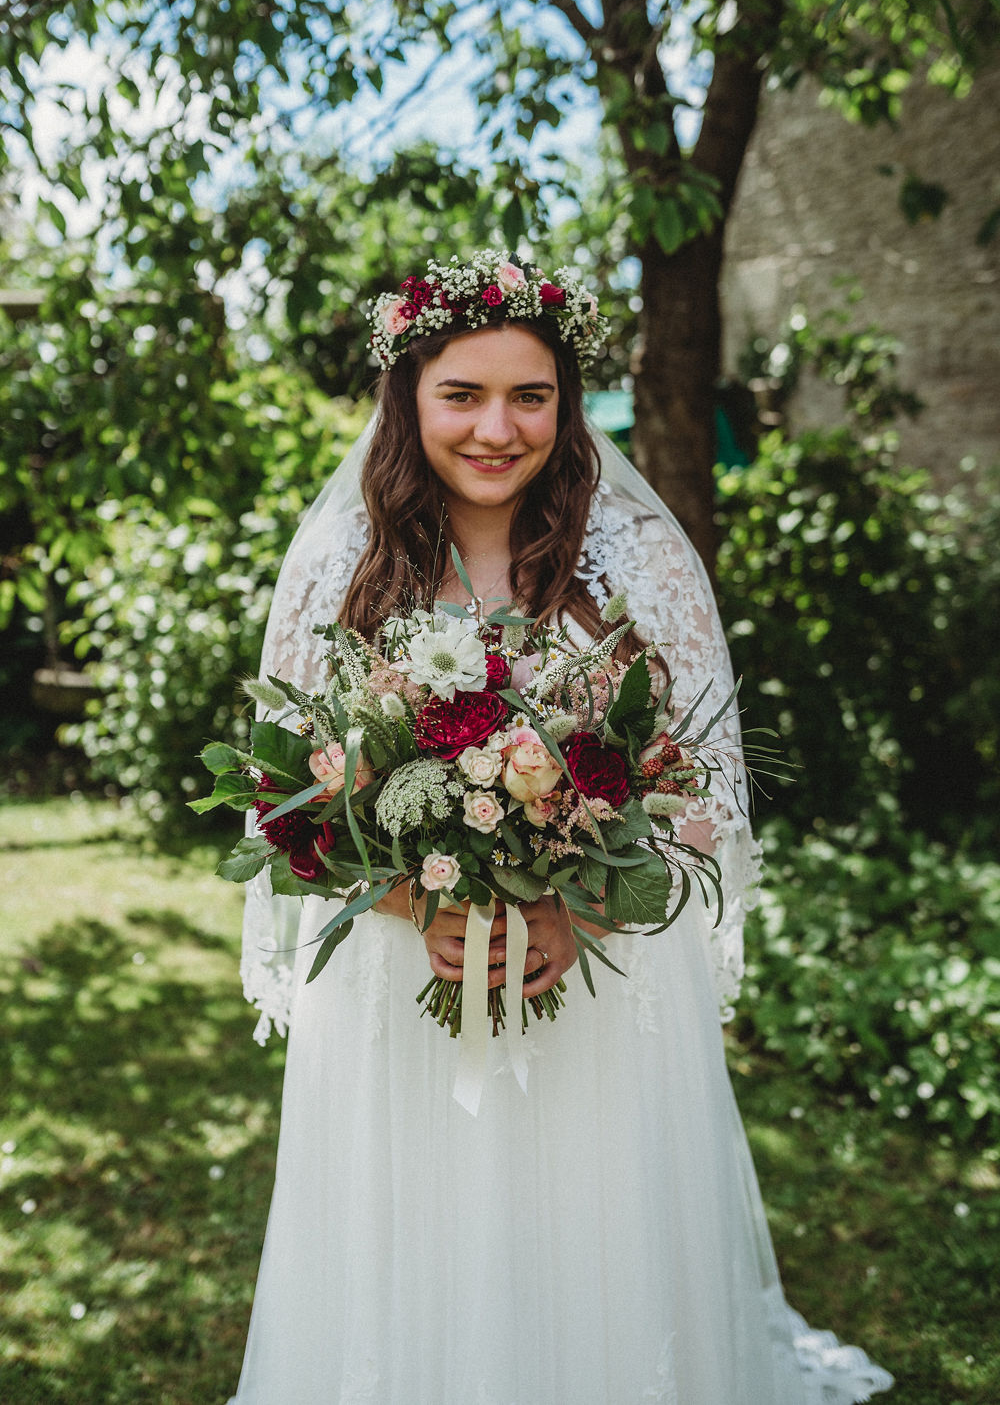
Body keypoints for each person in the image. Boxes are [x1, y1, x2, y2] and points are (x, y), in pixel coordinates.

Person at [228, 250, 893, 1404]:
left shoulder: (632, 560)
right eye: (462, 395)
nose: (497, 427)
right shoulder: (345, 565)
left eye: (529, 396)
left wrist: (573, 909)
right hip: (404, 975)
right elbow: (285, 795)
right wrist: (417, 900)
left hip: (598, 972)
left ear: (566, 406)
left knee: (593, 1217)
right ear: (407, 400)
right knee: (417, 1227)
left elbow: (707, 781)